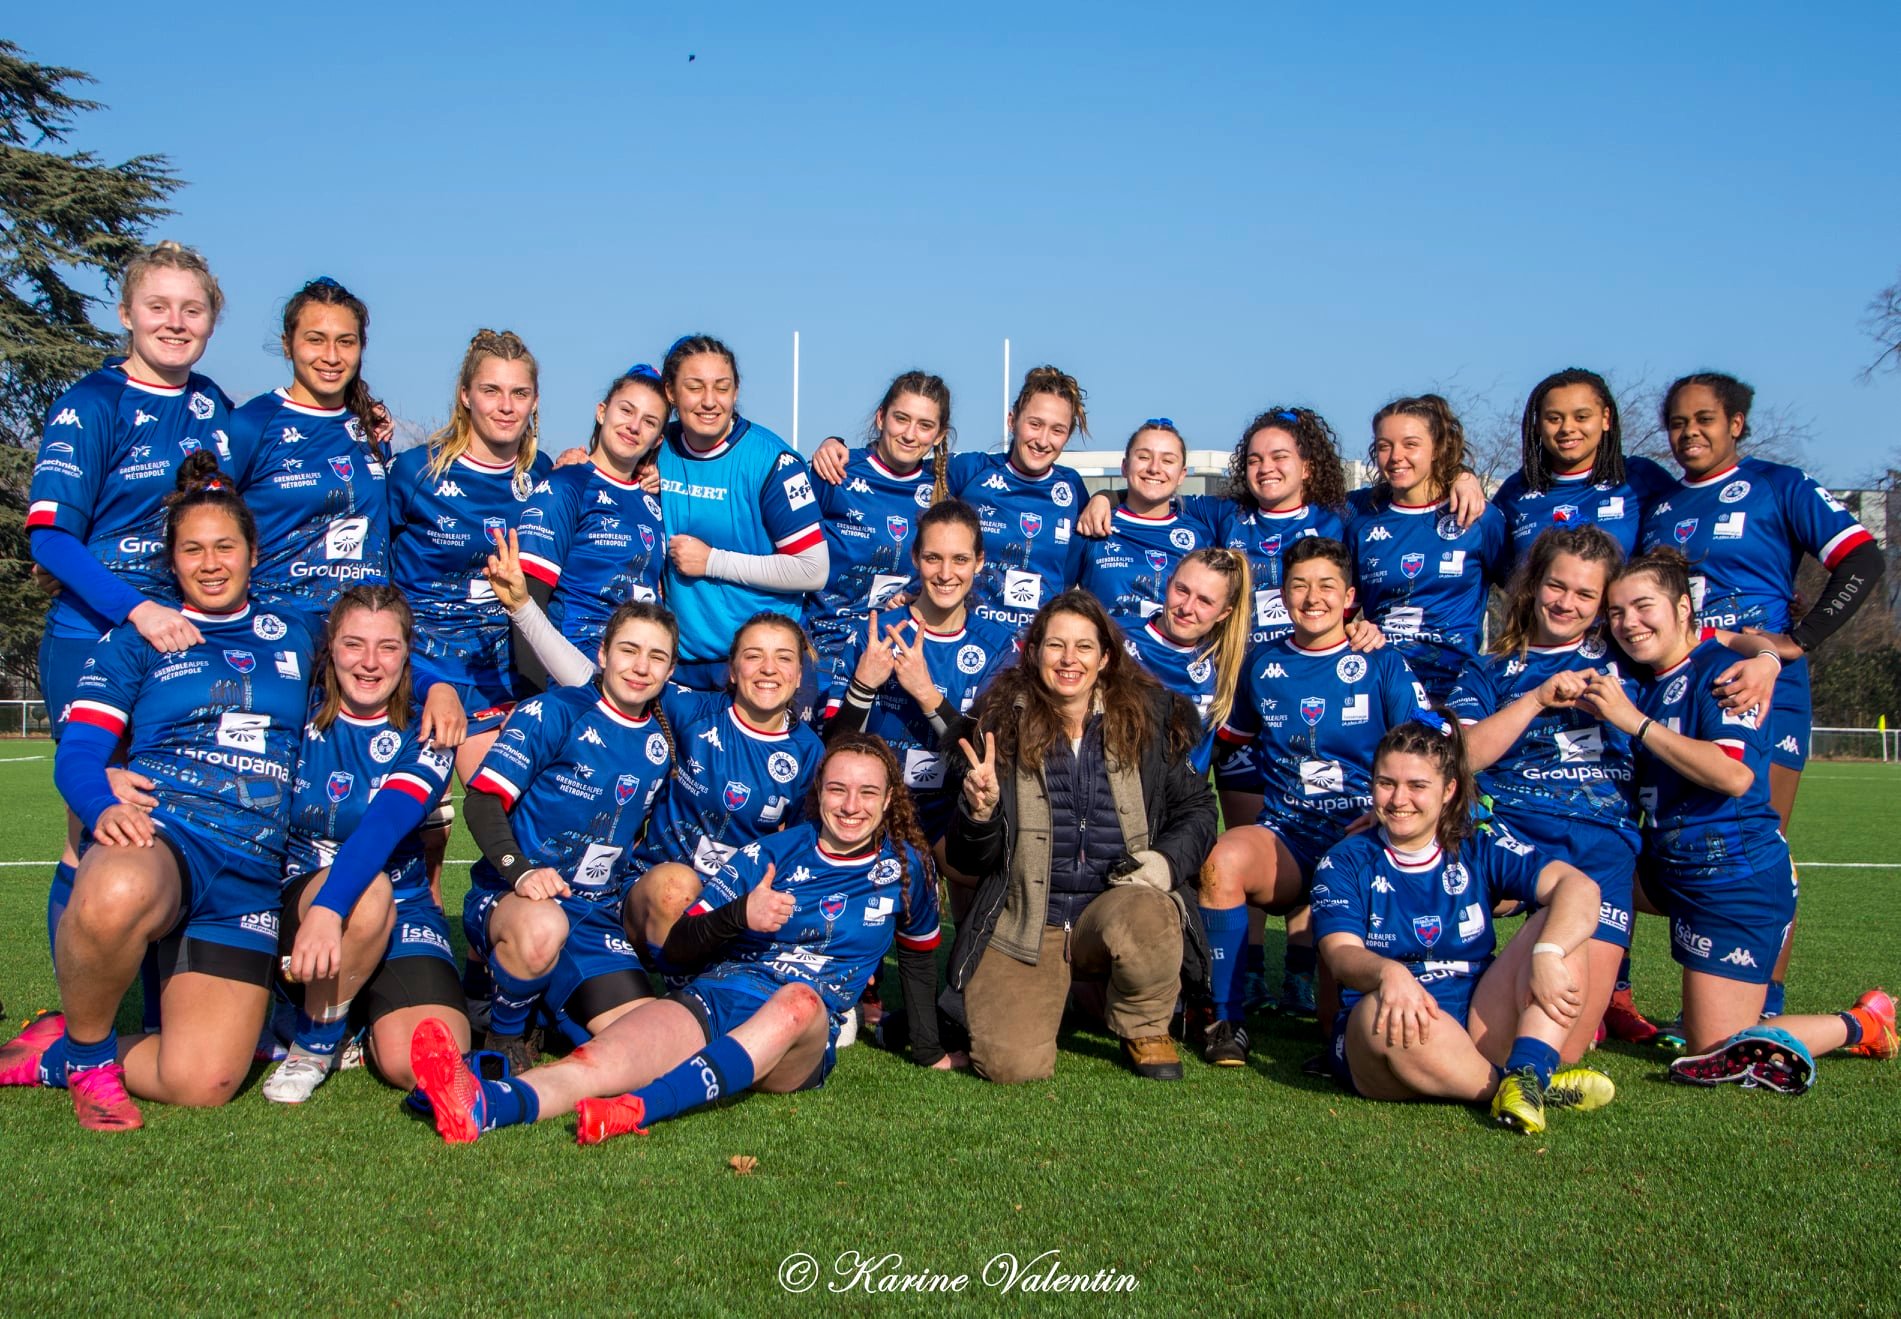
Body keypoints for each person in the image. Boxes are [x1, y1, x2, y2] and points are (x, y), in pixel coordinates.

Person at [406, 733, 948, 1145]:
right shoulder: (772, 853)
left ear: (888, 800)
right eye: (838, 789)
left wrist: (927, 1053)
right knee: (596, 1063)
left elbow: (920, 957)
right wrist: (742, 914)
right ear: (820, 793)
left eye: (867, 792)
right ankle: (482, 1105)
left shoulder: (907, 868)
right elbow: (682, 946)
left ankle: (639, 1109)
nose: (851, 805)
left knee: (798, 1001)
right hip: (718, 997)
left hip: (799, 1041)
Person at [0, 455, 317, 1129]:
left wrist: (436, 684)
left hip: (252, 873)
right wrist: (102, 802)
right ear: (171, 561)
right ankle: (89, 1061)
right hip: (168, 837)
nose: (209, 562)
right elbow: (79, 752)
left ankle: (53, 1053)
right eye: (192, 549)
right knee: (114, 886)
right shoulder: (137, 639)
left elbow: (376, 652)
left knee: (204, 1080)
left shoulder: (295, 632)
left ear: (252, 552)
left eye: (224, 546)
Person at [1585, 548, 1894, 1090]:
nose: (1628, 622)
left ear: (1684, 608)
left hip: (1730, 874)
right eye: (1615, 612)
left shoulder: (1725, 671)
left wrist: (1630, 721)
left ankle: (1864, 1022)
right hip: (1664, 867)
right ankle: (1584, 1004)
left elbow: (1732, 775)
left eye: (1642, 606)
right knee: (1569, 877)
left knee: (1717, 1049)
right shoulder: (1647, 674)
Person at [1637, 372, 1884, 1017]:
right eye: (1679, 423)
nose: (1691, 433)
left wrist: (1799, 637)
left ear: (1736, 423)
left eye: (1705, 420)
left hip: (1762, 685)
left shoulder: (1781, 485)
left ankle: (1765, 1004)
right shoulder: (1661, 503)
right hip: (1674, 688)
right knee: (1669, 839)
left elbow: (1862, 558)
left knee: (1757, 840)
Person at [28, 240, 234, 953]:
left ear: (211, 320)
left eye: (192, 308)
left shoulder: (213, 403)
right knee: (95, 823)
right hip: (98, 637)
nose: (175, 322)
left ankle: (160, 1010)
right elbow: (51, 540)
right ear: (126, 313)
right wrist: (139, 609)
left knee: (167, 822)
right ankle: (75, 1013)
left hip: (181, 643)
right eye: (158, 306)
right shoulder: (90, 404)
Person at [942, 590, 1218, 1083]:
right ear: (1033, 652)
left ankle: (1145, 1024)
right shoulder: (997, 725)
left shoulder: (1150, 718)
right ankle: (1060, 992)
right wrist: (979, 812)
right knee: (1010, 1067)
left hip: (1114, 905)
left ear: (1106, 656)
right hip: (1028, 918)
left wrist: (1164, 865)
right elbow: (968, 857)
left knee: (1151, 909)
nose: (1069, 660)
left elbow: (1199, 808)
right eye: (1055, 646)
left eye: (1084, 647)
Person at [1313, 716, 1617, 1134]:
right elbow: (1339, 954)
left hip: (1478, 1020)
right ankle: (1519, 1086)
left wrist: (1548, 952)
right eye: (1386, 783)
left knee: (1562, 928)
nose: (1399, 799)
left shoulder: (1476, 842)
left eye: (1418, 786)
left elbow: (1579, 887)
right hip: (1393, 1030)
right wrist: (1388, 972)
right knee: (1382, 1014)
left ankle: (1525, 1072)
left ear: (1448, 790)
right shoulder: (1345, 859)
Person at [1198, 538, 1427, 1065]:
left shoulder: (1379, 658)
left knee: (1337, 1035)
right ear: (1282, 594)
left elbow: (1426, 747)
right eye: (1299, 585)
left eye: (1327, 585)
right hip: (1288, 836)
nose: (1312, 597)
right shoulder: (1263, 662)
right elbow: (1227, 736)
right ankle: (1225, 1019)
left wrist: (1387, 812)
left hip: (1362, 841)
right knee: (1222, 862)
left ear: (1349, 596)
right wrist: (1177, 775)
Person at [1447, 525, 1661, 1060]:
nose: (1566, 603)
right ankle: (1534, 937)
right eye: (1556, 586)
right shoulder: (1489, 667)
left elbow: (1700, 647)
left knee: (1562, 1051)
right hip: (1511, 836)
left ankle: (1547, 931)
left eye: (1586, 594)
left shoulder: (1630, 666)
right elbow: (1462, 757)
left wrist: (1767, 657)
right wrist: (1536, 699)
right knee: (1481, 1040)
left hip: (1599, 845)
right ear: (1533, 584)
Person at [259, 585, 464, 1103]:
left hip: (404, 902)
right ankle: (314, 1038)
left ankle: (357, 1007)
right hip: (305, 898)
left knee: (423, 1063)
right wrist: (328, 909)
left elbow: (385, 822)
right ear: (330, 648)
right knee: (367, 896)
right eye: (354, 645)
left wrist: (443, 687)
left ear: (407, 654)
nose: (370, 663)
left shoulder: (429, 729)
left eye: (388, 647)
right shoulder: (293, 708)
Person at [458, 603, 681, 1073]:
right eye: (629, 649)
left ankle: (543, 1006)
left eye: (656, 657)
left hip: (592, 913)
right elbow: (480, 801)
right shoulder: (554, 710)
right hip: (516, 900)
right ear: (602, 653)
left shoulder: (660, 743)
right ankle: (504, 1034)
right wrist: (520, 875)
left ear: (671, 669)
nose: (641, 667)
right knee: (542, 931)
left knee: (647, 1046)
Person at [386, 329, 552, 888]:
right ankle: (418, 950)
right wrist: (423, 678)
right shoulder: (413, 473)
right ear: (464, 395)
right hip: (422, 671)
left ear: (534, 401)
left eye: (519, 393)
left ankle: (484, 968)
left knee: (510, 835)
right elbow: (376, 588)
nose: (506, 406)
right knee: (421, 841)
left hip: (505, 678)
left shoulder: (546, 477)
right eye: (491, 391)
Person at [819, 366, 1090, 637]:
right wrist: (832, 444)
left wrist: (1107, 496)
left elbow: (1073, 569)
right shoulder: (968, 471)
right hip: (973, 642)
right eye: (1035, 424)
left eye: (1057, 430)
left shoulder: (1072, 488)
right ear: (1012, 420)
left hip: (1037, 649)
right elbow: (904, 465)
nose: (1042, 440)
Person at [820, 499, 1016, 843]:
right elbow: (834, 746)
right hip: (873, 811)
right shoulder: (876, 631)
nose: (945, 574)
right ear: (915, 558)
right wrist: (864, 686)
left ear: (979, 562)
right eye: (932, 558)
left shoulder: (997, 646)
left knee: (973, 859)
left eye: (960, 560)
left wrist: (925, 693)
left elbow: (983, 758)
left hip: (951, 810)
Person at [652, 335, 827, 690]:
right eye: (694, 387)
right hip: (679, 669)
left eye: (722, 387)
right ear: (670, 392)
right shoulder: (656, 447)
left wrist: (713, 561)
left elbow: (813, 569)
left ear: (736, 391)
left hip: (757, 674)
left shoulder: (772, 460)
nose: (709, 401)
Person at [226, 277, 393, 614]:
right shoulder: (251, 424)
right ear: (288, 345)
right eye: (315, 340)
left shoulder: (369, 428)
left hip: (360, 641)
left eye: (345, 342)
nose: (331, 356)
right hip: (278, 633)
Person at [1346, 394, 1512, 704]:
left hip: (1453, 683)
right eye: (1384, 446)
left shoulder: (1477, 515)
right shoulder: (1360, 515)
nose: (1396, 456)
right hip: (1381, 679)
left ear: (1437, 448)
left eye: (1411, 444)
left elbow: (1521, 593)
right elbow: (1341, 605)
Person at [512, 364, 669, 687]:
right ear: (602, 412)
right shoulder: (566, 485)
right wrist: (534, 697)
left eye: (649, 421)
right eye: (626, 410)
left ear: (658, 440)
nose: (634, 426)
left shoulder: (656, 498)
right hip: (576, 671)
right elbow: (528, 600)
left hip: (639, 677)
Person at [803, 371, 954, 685]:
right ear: (881, 417)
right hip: (822, 654)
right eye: (901, 418)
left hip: (892, 660)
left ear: (939, 435)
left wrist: (919, 596)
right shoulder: (835, 470)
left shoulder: (945, 487)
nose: (910, 434)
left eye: (925, 425)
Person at [1492, 368, 1675, 561]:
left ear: (1605, 418)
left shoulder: (1642, 478)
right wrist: (1465, 477)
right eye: (1554, 419)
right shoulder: (1515, 492)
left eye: (1581, 417)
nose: (1567, 428)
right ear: (1538, 425)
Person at [1074, 419, 1222, 627]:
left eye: (1168, 461)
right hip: (1111, 656)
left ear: (1181, 475)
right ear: (1125, 467)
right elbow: (1057, 592)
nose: (1154, 468)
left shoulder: (1201, 535)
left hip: (1173, 659)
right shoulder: (1095, 524)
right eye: (1143, 457)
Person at [1121, 548, 1252, 776]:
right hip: (1119, 797)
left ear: (1224, 612)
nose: (1187, 608)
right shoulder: (1115, 637)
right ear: (1168, 583)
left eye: (1205, 601)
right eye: (1181, 590)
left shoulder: (1226, 664)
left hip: (1183, 804)